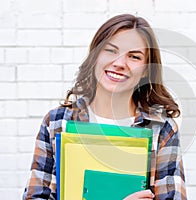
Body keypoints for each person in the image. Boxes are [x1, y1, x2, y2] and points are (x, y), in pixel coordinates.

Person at [22, 14, 187, 200]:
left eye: (134, 56)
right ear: (95, 55)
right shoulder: (56, 122)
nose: (119, 63)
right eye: (110, 50)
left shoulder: (162, 129)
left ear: (146, 70)